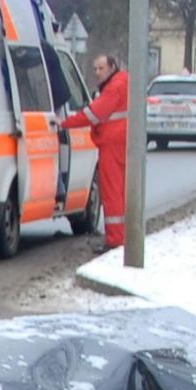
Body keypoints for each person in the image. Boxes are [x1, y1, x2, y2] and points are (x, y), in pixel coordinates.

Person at [60, 52, 131, 251]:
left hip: (112, 144)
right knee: (119, 192)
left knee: (111, 193)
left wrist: (64, 123)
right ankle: (122, 236)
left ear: (112, 67)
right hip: (122, 142)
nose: (97, 73)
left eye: (101, 68)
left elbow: (93, 114)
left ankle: (115, 240)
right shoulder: (124, 82)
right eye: (95, 69)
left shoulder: (114, 88)